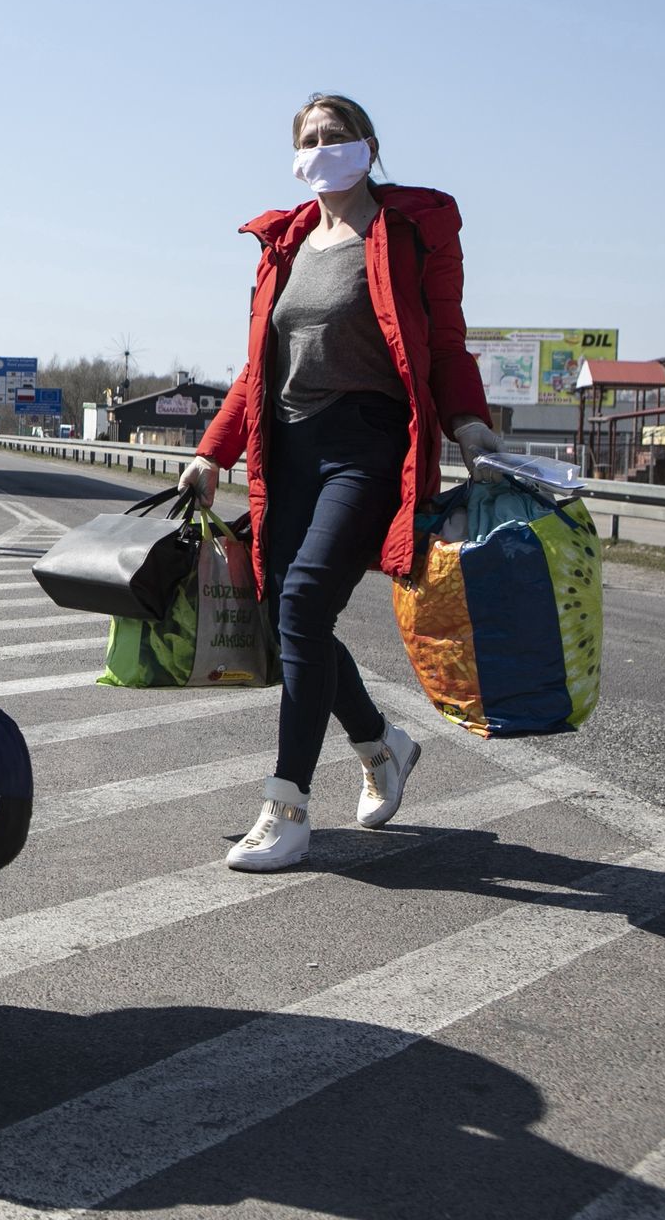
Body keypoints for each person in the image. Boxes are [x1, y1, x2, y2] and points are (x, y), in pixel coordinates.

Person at [183, 93, 500, 873]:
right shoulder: (286, 243)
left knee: (300, 603)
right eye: (309, 138)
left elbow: (445, 342)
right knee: (294, 618)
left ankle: (286, 807)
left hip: (365, 447)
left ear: (367, 144)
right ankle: (380, 744)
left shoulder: (411, 231)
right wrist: (210, 452)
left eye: (337, 134)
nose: (323, 147)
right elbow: (258, 369)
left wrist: (468, 423)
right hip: (286, 449)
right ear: (296, 154)